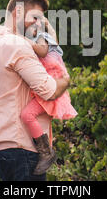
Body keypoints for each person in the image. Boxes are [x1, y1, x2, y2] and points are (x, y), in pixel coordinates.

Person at [0, 0, 71, 181]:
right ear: (18, 11)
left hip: (9, 146)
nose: (37, 23)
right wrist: (66, 80)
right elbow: (49, 90)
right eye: (34, 17)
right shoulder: (16, 44)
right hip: (23, 148)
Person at [21, 18, 78, 175]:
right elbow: (54, 37)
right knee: (29, 115)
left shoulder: (40, 39)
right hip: (51, 83)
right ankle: (45, 149)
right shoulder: (48, 37)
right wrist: (48, 24)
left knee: (27, 115)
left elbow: (42, 51)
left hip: (50, 86)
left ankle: (46, 152)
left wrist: (25, 40)